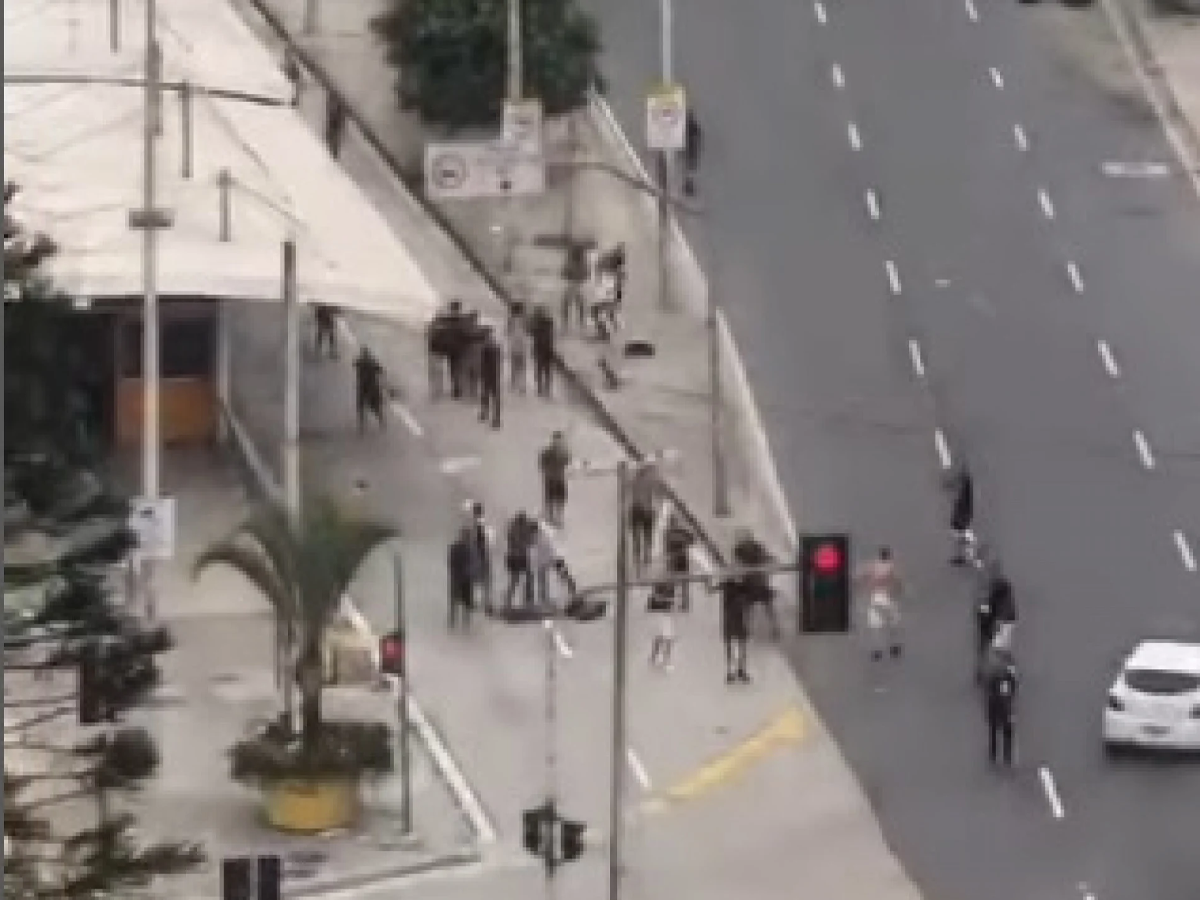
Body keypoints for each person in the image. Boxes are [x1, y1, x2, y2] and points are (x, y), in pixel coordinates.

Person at [857, 546, 903, 661]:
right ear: (888, 556)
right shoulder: (891, 567)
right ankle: (894, 647)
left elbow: (859, 577)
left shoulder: (871, 566)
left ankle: (877, 651)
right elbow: (897, 581)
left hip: (875, 598)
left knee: (876, 626)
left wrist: (864, 587)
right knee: (892, 624)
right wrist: (899, 590)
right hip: (887, 597)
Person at [733, 529, 779, 639]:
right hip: (751, 583)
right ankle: (747, 629)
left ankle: (774, 628)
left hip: (757, 582)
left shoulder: (756, 548)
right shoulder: (739, 550)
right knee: (751, 608)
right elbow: (737, 564)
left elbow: (768, 558)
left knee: (766, 608)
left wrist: (769, 564)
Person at [983, 648, 1018, 766]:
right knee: (1001, 730)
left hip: (999, 706)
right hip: (999, 706)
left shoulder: (1001, 677)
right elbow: (1012, 692)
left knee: (1001, 730)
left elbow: (1012, 692)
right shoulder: (1003, 677)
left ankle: (1001, 756)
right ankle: (1001, 756)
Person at [628, 463, 659, 572]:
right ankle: (646, 556)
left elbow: (629, 492)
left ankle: (637, 557)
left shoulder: (634, 480)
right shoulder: (652, 480)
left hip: (636, 509)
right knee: (648, 534)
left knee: (637, 535)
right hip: (647, 510)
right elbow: (656, 494)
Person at [719, 576, 751, 683]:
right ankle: (732, 671)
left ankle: (739, 670)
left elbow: (746, 603)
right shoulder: (727, 584)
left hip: (737, 618)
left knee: (739, 644)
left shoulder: (743, 586)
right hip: (731, 618)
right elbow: (712, 588)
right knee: (732, 644)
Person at [503, 511, 536, 609]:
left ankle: (512, 601)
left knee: (520, 579)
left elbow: (528, 542)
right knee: (522, 578)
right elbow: (529, 542)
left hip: (515, 557)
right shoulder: (518, 529)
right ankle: (526, 601)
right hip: (518, 557)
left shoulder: (514, 528)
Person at [466, 502, 495, 614]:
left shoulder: (473, 524)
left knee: (477, 580)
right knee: (485, 581)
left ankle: (475, 602)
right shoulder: (481, 523)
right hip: (482, 555)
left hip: (476, 555)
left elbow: (474, 539)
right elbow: (484, 540)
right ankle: (487, 604)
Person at [539, 431, 571, 527]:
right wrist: (548, 471)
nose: (558, 443)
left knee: (560, 500)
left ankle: (558, 519)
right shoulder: (547, 453)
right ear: (553, 441)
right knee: (550, 499)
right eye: (556, 441)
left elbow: (568, 462)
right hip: (551, 479)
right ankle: (550, 518)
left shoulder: (563, 453)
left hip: (560, 479)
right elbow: (542, 464)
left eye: (559, 441)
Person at [663, 514, 694, 611]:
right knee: (683, 582)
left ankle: (671, 602)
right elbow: (692, 540)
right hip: (682, 559)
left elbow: (667, 548)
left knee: (672, 581)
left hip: (674, 560)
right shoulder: (681, 532)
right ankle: (684, 603)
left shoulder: (668, 534)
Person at [447, 527, 475, 629]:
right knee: (455, 601)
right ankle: (453, 622)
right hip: (459, 578)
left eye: (468, 536)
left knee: (466, 602)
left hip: (465, 578)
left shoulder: (471, 549)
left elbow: (474, 564)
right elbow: (451, 562)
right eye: (466, 536)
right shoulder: (456, 548)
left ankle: (465, 623)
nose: (467, 538)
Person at [353, 347, 386, 434]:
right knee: (375, 407)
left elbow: (354, 364)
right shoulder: (372, 361)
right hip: (372, 387)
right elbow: (380, 370)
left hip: (363, 387)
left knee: (361, 406)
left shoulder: (359, 361)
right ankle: (381, 421)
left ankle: (362, 425)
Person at [949, 464, 976, 566]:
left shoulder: (965, 495)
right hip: (962, 519)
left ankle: (964, 557)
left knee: (962, 537)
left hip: (961, 519)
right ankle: (965, 556)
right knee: (962, 537)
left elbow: (961, 505)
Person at [647, 583, 677, 671]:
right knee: (668, 639)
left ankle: (655, 657)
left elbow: (650, 607)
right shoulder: (666, 598)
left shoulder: (654, 599)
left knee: (659, 637)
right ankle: (666, 660)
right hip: (664, 617)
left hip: (659, 616)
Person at [529, 304, 556, 398]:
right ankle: (546, 388)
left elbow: (531, 333)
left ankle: (541, 388)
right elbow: (551, 336)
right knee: (546, 369)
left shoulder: (536, 324)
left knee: (540, 368)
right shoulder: (548, 322)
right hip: (547, 348)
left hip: (541, 348)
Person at [479, 326, 503, 428]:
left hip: (488, 374)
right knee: (494, 396)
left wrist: (482, 373)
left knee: (486, 394)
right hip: (495, 374)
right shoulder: (496, 347)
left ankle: (485, 413)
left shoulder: (485, 348)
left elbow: (482, 363)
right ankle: (496, 418)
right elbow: (499, 362)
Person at [507, 303, 530, 394]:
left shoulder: (510, 320)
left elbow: (508, 331)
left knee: (514, 365)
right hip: (522, 344)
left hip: (513, 344)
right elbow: (528, 331)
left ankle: (514, 383)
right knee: (522, 366)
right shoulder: (525, 320)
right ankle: (522, 386)